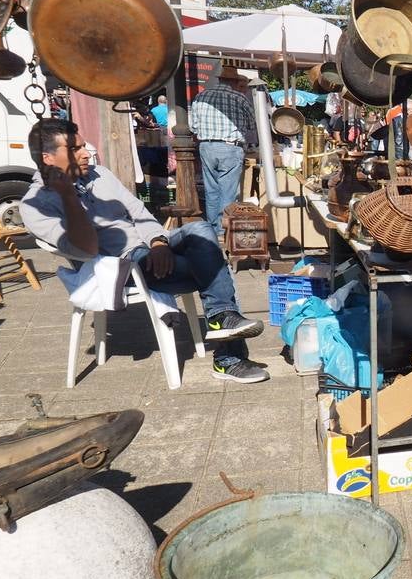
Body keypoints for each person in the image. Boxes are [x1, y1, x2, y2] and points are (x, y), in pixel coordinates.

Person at [20, 119, 269, 384]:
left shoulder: (99, 174)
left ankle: (221, 316)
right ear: (48, 158)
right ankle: (228, 356)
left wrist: (158, 243)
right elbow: (88, 248)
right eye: (74, 149)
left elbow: (139, 212)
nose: (85, 154)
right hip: (119, 266)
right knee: (212, 267)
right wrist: (69, 195)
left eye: (84, 146)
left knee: (202, 232)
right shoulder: (36, 206)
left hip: (149, 247)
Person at [189, 65, 256, 235]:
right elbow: (251, 125)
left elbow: (193, 126)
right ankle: (223, 231)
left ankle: (212, 228)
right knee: (228, 192)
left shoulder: (201, 96)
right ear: (234, 82)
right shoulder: (239, 98)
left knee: (211, 190)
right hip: (230, 147)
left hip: (207, 146)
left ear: (219, 79)